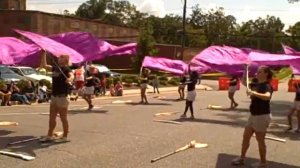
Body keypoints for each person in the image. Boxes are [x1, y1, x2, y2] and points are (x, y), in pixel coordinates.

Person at [232, 66, 273, 168]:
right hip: (253, 115)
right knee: (246, 137)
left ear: (266, 74)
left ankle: (263, 163)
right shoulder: (256, 83)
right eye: (257, 71)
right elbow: (244, 82)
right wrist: (245, 70)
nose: (257, 73)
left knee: (260, 140)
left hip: (262, 116)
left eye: (260, 71)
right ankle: (242, 158)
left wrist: (253, 93)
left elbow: (267, 96)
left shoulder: (266, 86)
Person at [39, 53, 74, 142]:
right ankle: (49, 135)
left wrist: (70, 79)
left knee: (63, 117)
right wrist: (44, 53)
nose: (59, 58)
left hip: (62, 96)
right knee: (52, 117)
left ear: (66, 59)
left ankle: (65, 136)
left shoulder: (66, 69)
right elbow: (44, 65)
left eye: (62, 57)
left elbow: (71, 75)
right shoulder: (55, 68)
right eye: (59, 57)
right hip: (54, 96)